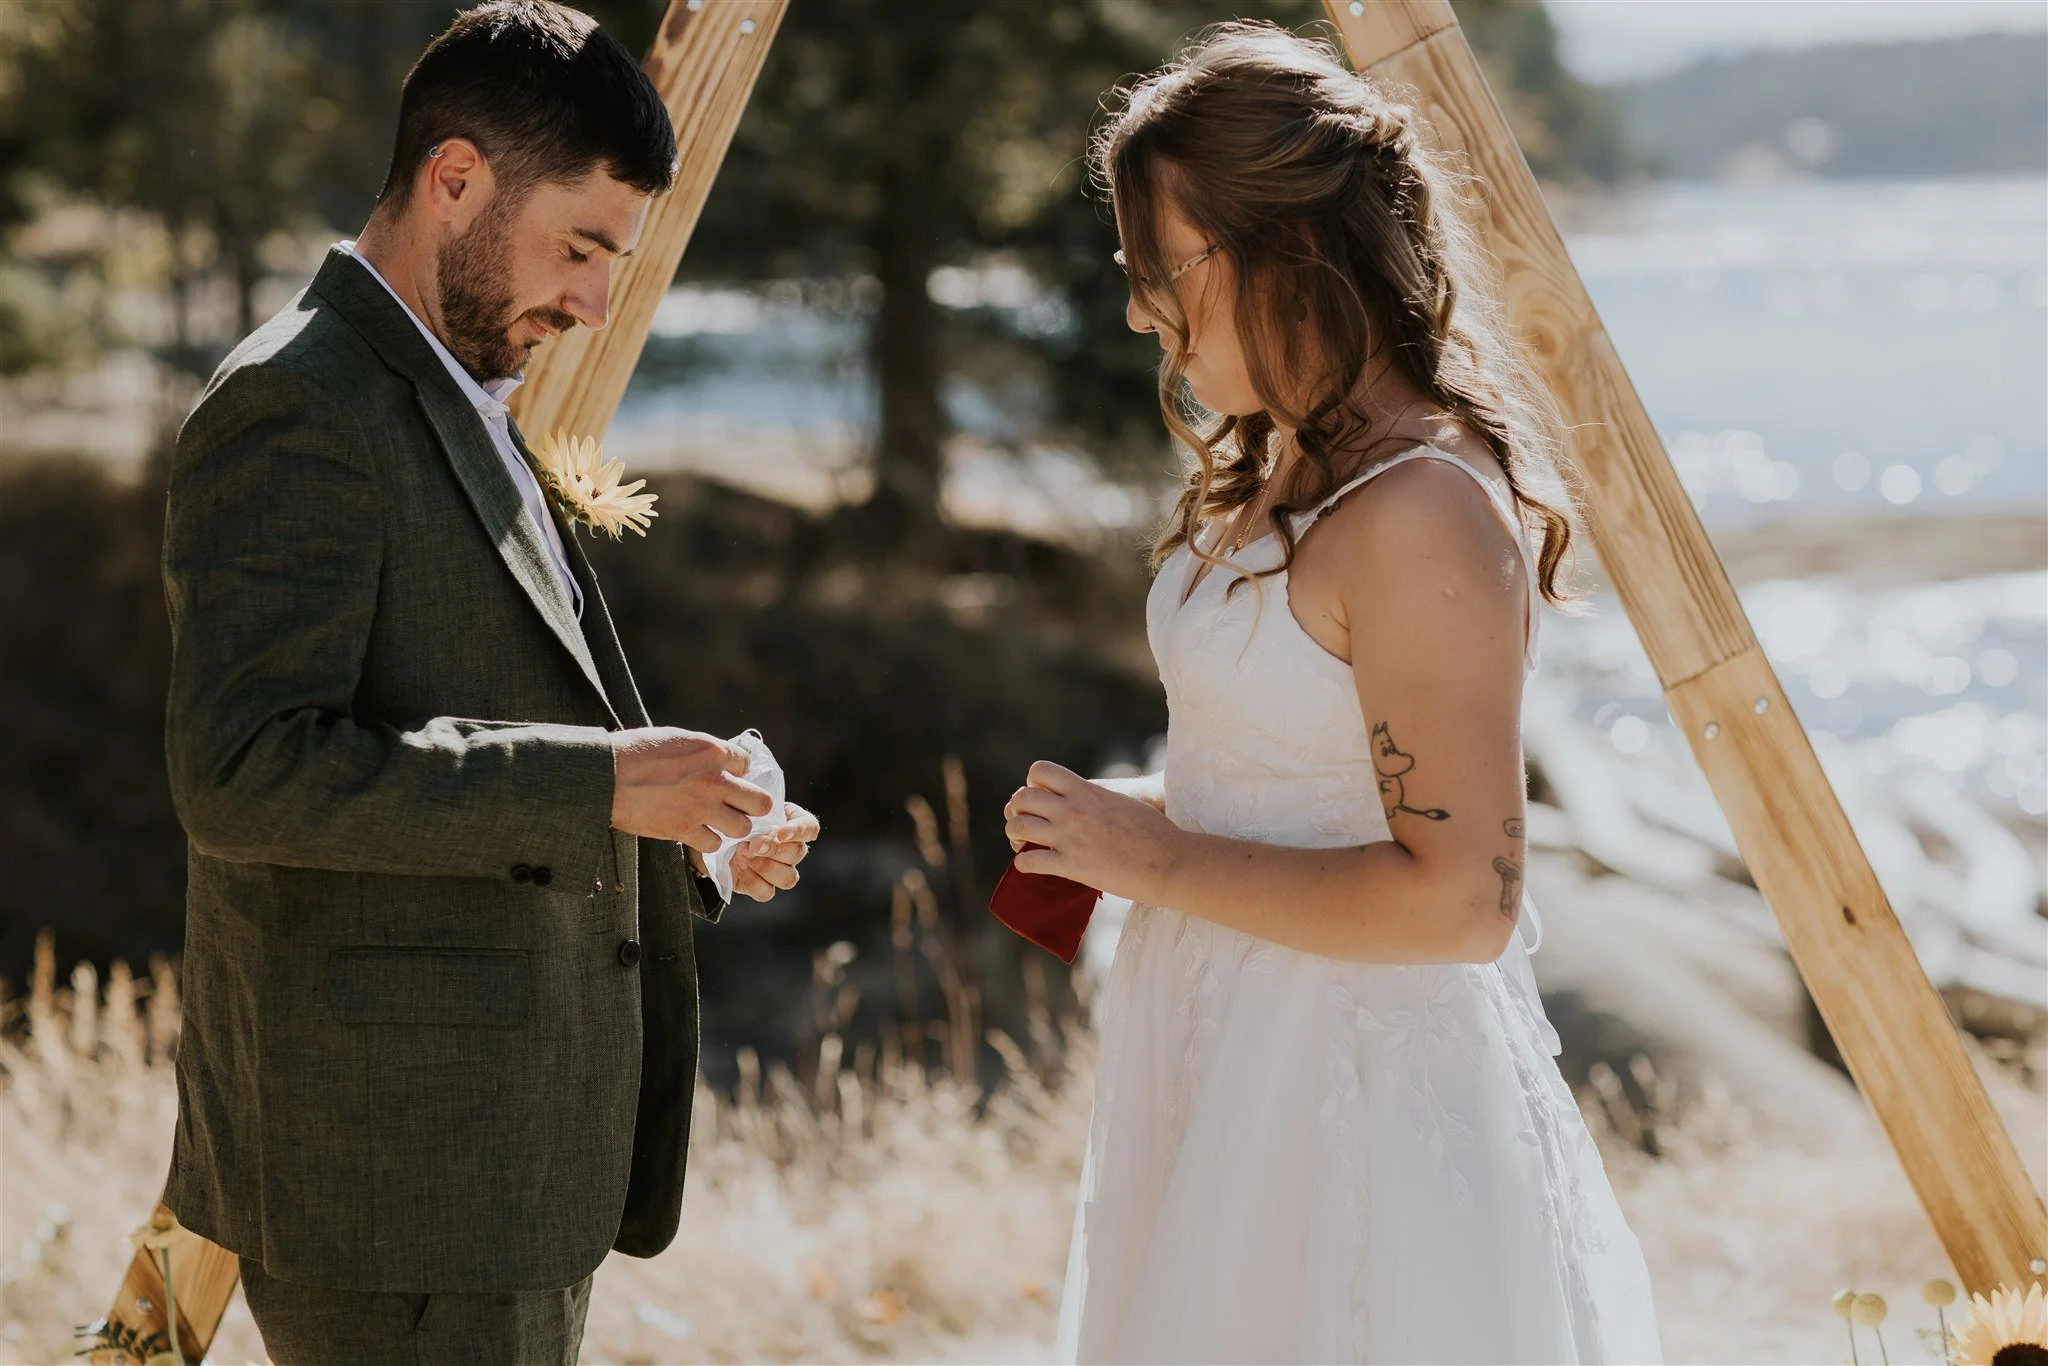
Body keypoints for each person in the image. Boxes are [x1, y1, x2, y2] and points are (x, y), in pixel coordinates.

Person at [159, 4, 815, 1361]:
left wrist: (683, 832)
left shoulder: (463, 387)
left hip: (503, 1172)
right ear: (454, 179)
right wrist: (603, 783)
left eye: (610, 262)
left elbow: (499, 714)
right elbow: (246, 772)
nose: (591, 300)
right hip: (391, 1188)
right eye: (579, 247)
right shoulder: (296, 404)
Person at [1003, 24, 1661, 1364]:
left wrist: (1164, 856)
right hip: (1226, 1048)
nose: (1137, 306)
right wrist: (1121, 824)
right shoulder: (1288, 457)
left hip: (1354, 1100)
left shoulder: (1421, 507)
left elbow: (1463, 901)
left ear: (1286, 250)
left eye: (1159, 265)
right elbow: (1303, 763)